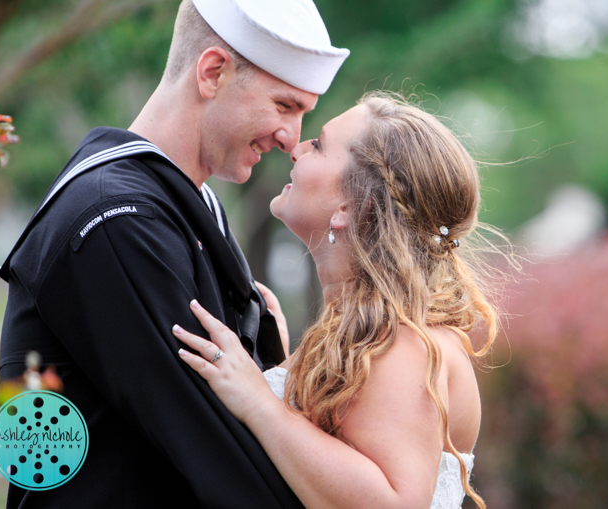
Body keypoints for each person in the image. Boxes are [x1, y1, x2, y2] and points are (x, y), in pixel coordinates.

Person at [0, 0, 347, 507]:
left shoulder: (183, 205)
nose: (291, 140)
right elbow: (215, 444)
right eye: (284, 105)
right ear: (212, 73)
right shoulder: (114, 217)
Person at [173, 92, 506, 509]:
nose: (295, 149)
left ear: (350, 206)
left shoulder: (402, 344)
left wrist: (261, 400)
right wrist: (282, 369)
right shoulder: (370, 335)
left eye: (318, 145)